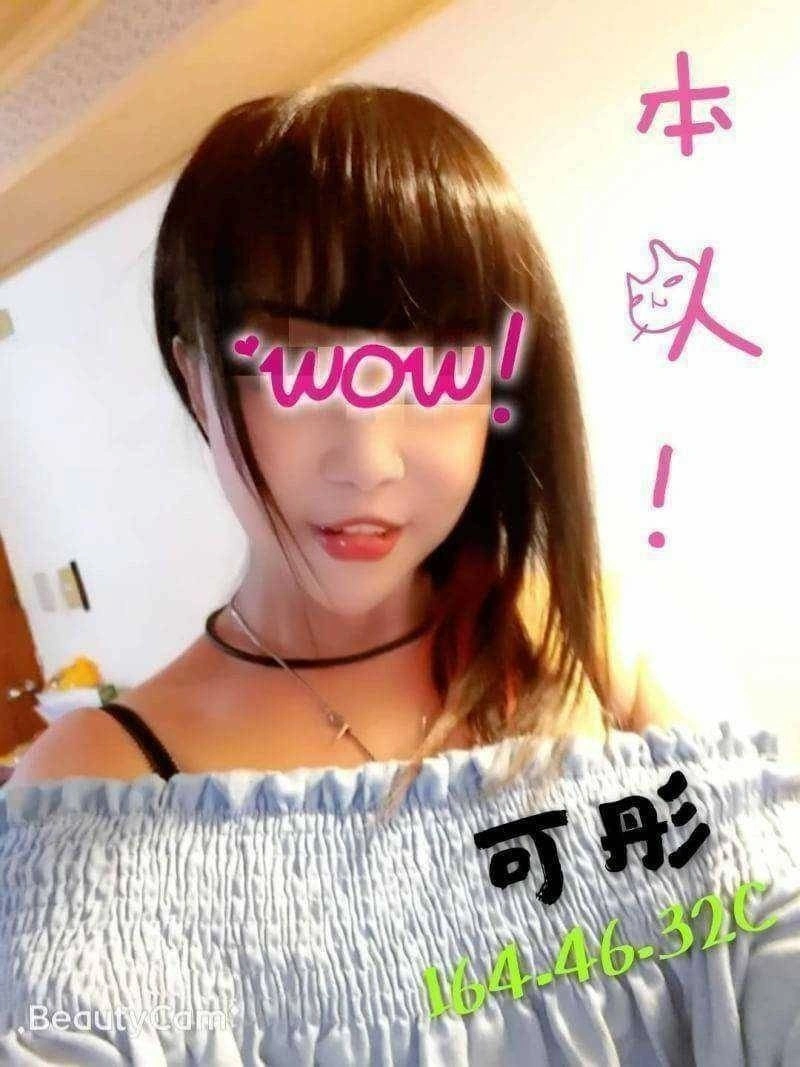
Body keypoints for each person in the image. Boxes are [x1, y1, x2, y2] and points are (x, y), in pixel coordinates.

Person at [1, 83, 798, 1066]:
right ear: (195, 378)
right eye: (287, 362)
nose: (368, 461)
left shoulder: (595, 643)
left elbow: (770, 927)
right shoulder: (95, 787)